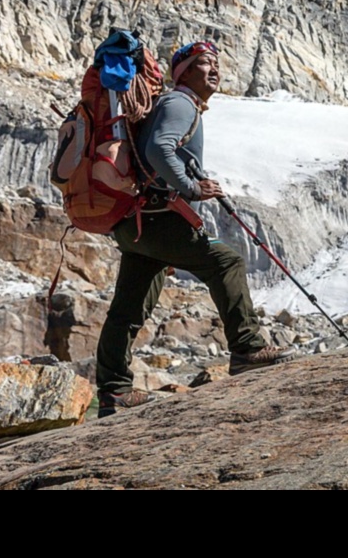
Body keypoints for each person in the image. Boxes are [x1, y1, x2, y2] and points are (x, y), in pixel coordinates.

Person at [95, 41, 294, 418]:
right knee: (226, 263)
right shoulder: (180, 103)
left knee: (128, 307)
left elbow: (162, 151)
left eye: (217, 63)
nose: (214, 69)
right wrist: (191, 188)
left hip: (134, 223)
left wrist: (192, 177)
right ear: (183, 72)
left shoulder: (173, 104)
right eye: (204, 63)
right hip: (158, 218)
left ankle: (114, 391)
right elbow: (159, 148)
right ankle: (247, 348)